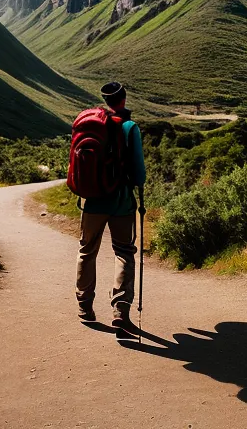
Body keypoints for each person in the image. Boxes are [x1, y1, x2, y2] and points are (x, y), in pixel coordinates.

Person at [74, 81, 147, 337]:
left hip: (91, 200)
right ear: (124, 100)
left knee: (87, 251)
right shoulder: (129, 128)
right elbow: (139, 175)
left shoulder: (91, 123)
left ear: (106, 101)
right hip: (121, 202)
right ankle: (120, 311)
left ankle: (85, 306)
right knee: (124, 252)